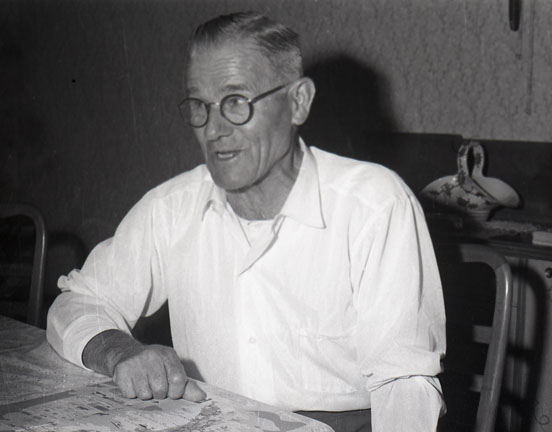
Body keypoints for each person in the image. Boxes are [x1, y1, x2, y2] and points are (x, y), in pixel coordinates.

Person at [47, 11, 446, 432]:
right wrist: (120, 352)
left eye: (236, 101)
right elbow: (78, 303)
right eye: (200, 105)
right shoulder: (171, 208)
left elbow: (405, 384)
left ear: (298, 102)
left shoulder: (374, 205)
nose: (214, 129)